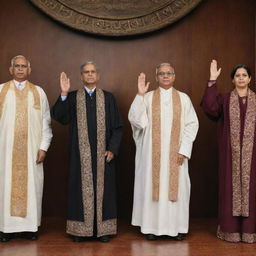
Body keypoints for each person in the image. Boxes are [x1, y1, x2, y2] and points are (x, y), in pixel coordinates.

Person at [51, 61, 123, 243]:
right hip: (80, 156)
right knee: (79, 191)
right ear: (81, 76)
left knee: (104, 191)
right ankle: (79, 231)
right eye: (86, 72)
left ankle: (103, 230)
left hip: (103, 156)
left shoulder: (108, 98)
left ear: (98, 76)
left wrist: (112, 149)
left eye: (93, 72)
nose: (90, 75)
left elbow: (117, 127)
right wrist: (64, 93)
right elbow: (59, 117)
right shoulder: (74, 97)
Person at [128, 63, 198, 241]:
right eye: (161, 74)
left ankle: (177, 228)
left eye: (169, 73)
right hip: (152, 157)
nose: (165, 76)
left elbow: (192, 125)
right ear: (156, 76)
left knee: (178, 189)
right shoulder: (148, 97)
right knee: (152, 187)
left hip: (177, 156)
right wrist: (140, 94)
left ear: (174, 76)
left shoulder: (183, 99)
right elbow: (137, 121)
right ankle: (152, 227)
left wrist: (184, 149)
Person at [201, 60, 256, 243]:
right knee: (229, 189)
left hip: (252, 156)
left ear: (249, 79)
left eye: (244, 75)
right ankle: (230, 230)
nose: (241, 78)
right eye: (237, 75)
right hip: (230, 156)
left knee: (252, 190)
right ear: (233, 80)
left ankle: (250, 231)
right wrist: (212, 80)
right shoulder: (225, 99)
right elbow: (210, 107)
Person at [0, 55, 52, 242]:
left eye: (24, 66)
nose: (20, 69)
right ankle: (6, 229)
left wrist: (43, 147)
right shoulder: (1, 91)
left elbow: (46, 123)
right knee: (5, 187)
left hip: (32, 152)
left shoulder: (38, 92)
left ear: (29, 70)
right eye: (17, 66)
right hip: (5, 153)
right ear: (10, 69)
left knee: (32, 187)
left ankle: (29, 228)